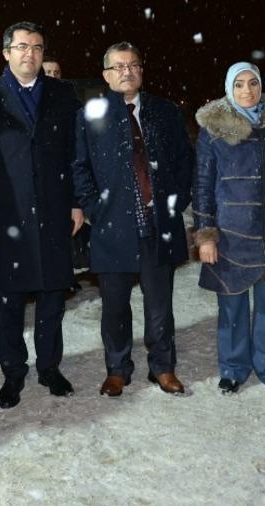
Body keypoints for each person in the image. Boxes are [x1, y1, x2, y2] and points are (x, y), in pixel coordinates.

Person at [0, 21, 83, 409]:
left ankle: (49, 366)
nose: (29, 53)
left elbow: (75, 154)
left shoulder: (63, 95)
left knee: (52, 297)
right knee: (10, 300)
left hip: (53, 210)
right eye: (21, 47)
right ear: (6, 53)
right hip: (7, 214)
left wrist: (77, 201)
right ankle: (13, 372)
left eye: (36, 47)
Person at [73, 42, 193, 397]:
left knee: (160, 305)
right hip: (113, 228)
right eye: (119, 67)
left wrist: (175, 201)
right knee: (114, 307)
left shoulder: (165, 111)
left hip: (159, 225)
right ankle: (117, 369)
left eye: (134, 65)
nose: (127, 72)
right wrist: (96, 210)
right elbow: (80, 168)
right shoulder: (90, 114)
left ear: (142, 70)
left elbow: (185, 161)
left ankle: (163, 367)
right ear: (107, 75)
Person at [192, 61, 265, 395]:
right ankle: (232, 368)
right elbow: (202, 185)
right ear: (230, 89)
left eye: (253, 84)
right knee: (232, 306)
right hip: (230, 236)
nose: (248, 91)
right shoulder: (213, 130)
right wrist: (206, 234)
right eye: (240, 84)